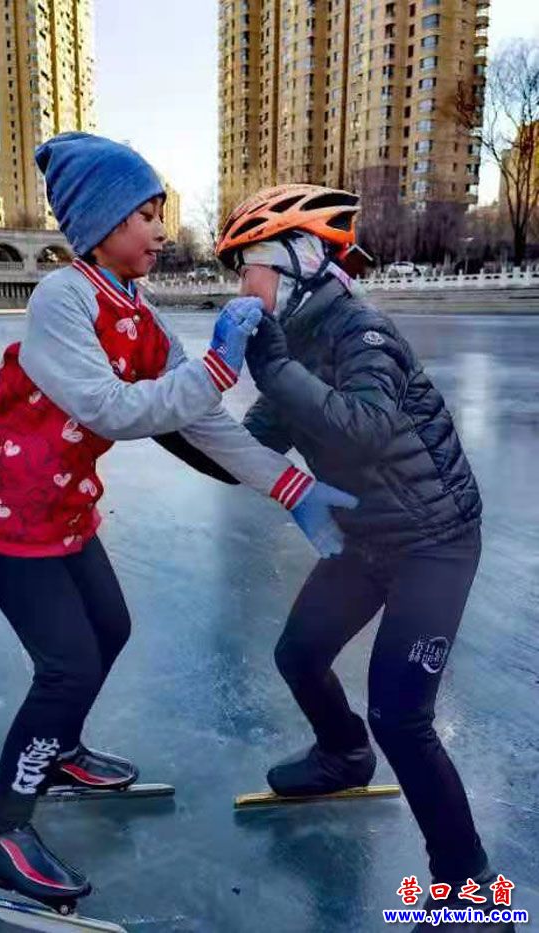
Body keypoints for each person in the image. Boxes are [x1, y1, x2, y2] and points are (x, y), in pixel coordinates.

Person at [0, 137, 356, 910]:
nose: (161, 230)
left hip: (61, 511)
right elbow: (110, 409)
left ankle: (57, 748)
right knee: (66, 664)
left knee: (110, 626)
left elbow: (201, 421)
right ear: (101, 223)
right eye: (145, 213)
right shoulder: (61, 300)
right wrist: (215, 367)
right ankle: (0, 830)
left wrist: (292, 486)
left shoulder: (140, 313)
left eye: (161, 212)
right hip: (2, 513)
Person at [211, 184, 512, 932]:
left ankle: (468, 887)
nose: (242, 288)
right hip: (367, 538)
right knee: (298, 653)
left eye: (249, 268)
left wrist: (272, 367)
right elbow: (244, 453)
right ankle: (343, 755)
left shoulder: (361, 333)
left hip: (436, 542)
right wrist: (161, 408)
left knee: (401, 716)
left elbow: (366, 427)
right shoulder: (295, 346)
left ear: (298, 261)